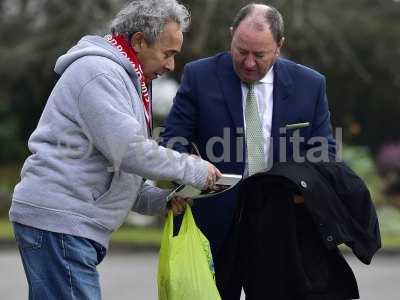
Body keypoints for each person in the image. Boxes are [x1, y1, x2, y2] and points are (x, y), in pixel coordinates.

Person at [9, 0, 221, 299]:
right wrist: (194, 169)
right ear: (138, 41)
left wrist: (161, 201)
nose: (171, 65)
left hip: (65, 222)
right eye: (167, 53)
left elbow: (118, 169)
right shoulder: (101, 74)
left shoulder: (125, 79)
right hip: (61, 221)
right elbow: (130, 151)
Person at [161, 2, 336, 291]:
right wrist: (188, 174)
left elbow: (324, 152)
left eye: (260, 54)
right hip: (213, 225)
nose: (249, 63)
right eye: (241, 51)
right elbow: (172, 139)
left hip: (282, 225)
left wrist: (300, 193)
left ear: (279, 46)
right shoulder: (199, 76)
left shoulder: (310, 85)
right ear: (231, 35)